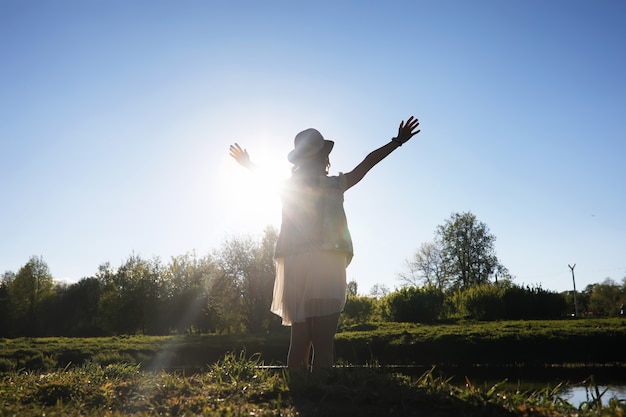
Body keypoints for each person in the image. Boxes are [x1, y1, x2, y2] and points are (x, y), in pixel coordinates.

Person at [229, 116, 421, 371]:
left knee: (299, 340)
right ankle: (320, 395)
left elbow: (263, 176)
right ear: (323, 159)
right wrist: (396, 141)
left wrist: (248, 164)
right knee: (323, 342)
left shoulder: (289, 187)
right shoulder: (335, 185)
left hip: (296, 262)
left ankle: (299, 395)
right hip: (327, 262)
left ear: (298, 161)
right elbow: (367, 163)